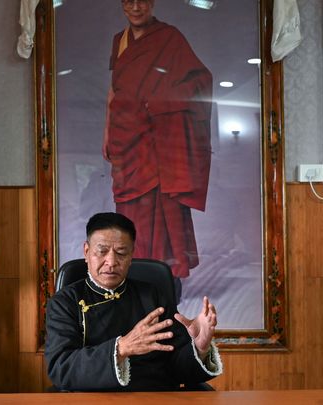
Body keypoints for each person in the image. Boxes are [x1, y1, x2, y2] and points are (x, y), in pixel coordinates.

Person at [103, 0, 213, 300]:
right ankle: (132, 286)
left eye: (143, 0)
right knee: (130, 215)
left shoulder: (169, 37)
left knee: (164, 215)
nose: (136, 7)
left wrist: (163, 102)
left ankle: (167, 289)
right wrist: (107, 131)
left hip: (158, 143)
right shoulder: (120, 40)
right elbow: (115, 91)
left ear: (152, 3)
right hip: (128, 141)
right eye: (129, 1)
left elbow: (201, 81)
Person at [45, 212, 222, 391]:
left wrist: (199, 348)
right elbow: (61, 368)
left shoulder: (153, 296)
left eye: (121, 253)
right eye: (102, 251)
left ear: (131, 256)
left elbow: (177, 367)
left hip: (155, 397)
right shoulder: (64, 302)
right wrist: (121, 348)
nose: (111, 262)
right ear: (86, 252)